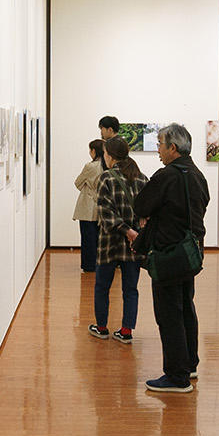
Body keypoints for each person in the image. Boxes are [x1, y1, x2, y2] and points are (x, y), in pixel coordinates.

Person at [128, 121, 208, 393]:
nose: (158, 152)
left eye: (160, 146)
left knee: (169, 313)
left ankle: (177, 376)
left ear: (172, 147)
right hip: (190, 253)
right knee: (186, 307)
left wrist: (154, 214)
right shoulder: (197, 175)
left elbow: (140, 205)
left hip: (168, 253)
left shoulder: (167, 176)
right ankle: (189, 364)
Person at [90, 136, 145, 344]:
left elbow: (105, 212)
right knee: (131, 289)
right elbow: (147, 212)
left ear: (110, 156)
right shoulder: (142, 178)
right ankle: (126, 331)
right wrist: (134, 232)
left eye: (105, 154)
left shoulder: (106, 178)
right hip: (134, 245)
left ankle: (102, 327)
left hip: (109, 244)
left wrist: (125, 230)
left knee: (102, 287)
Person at [72, 138, 105, 273]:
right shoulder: (107, 166)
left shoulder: (90, 166)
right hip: (102, 205)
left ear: (94, 151)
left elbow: (78, 183)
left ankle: (89, 265)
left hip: (87, 206)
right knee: (99, 237)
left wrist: (87, 185)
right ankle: (100, 263)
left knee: (87, 238)